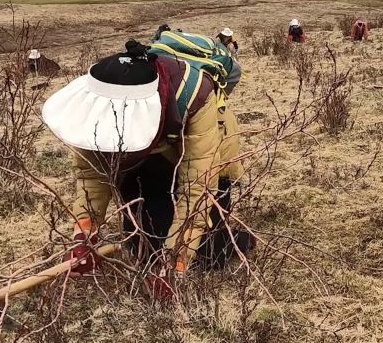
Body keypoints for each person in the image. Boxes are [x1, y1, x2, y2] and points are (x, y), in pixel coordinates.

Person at [41, 40, 251, 297]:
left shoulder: (195, 95)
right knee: (144, 247)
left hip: (207, 149)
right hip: (146, 159)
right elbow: (91, 175)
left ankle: (232, 238)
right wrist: (84, 236)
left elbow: (197, 188)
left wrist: (174, 264)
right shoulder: (96, 108)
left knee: (208, 256)